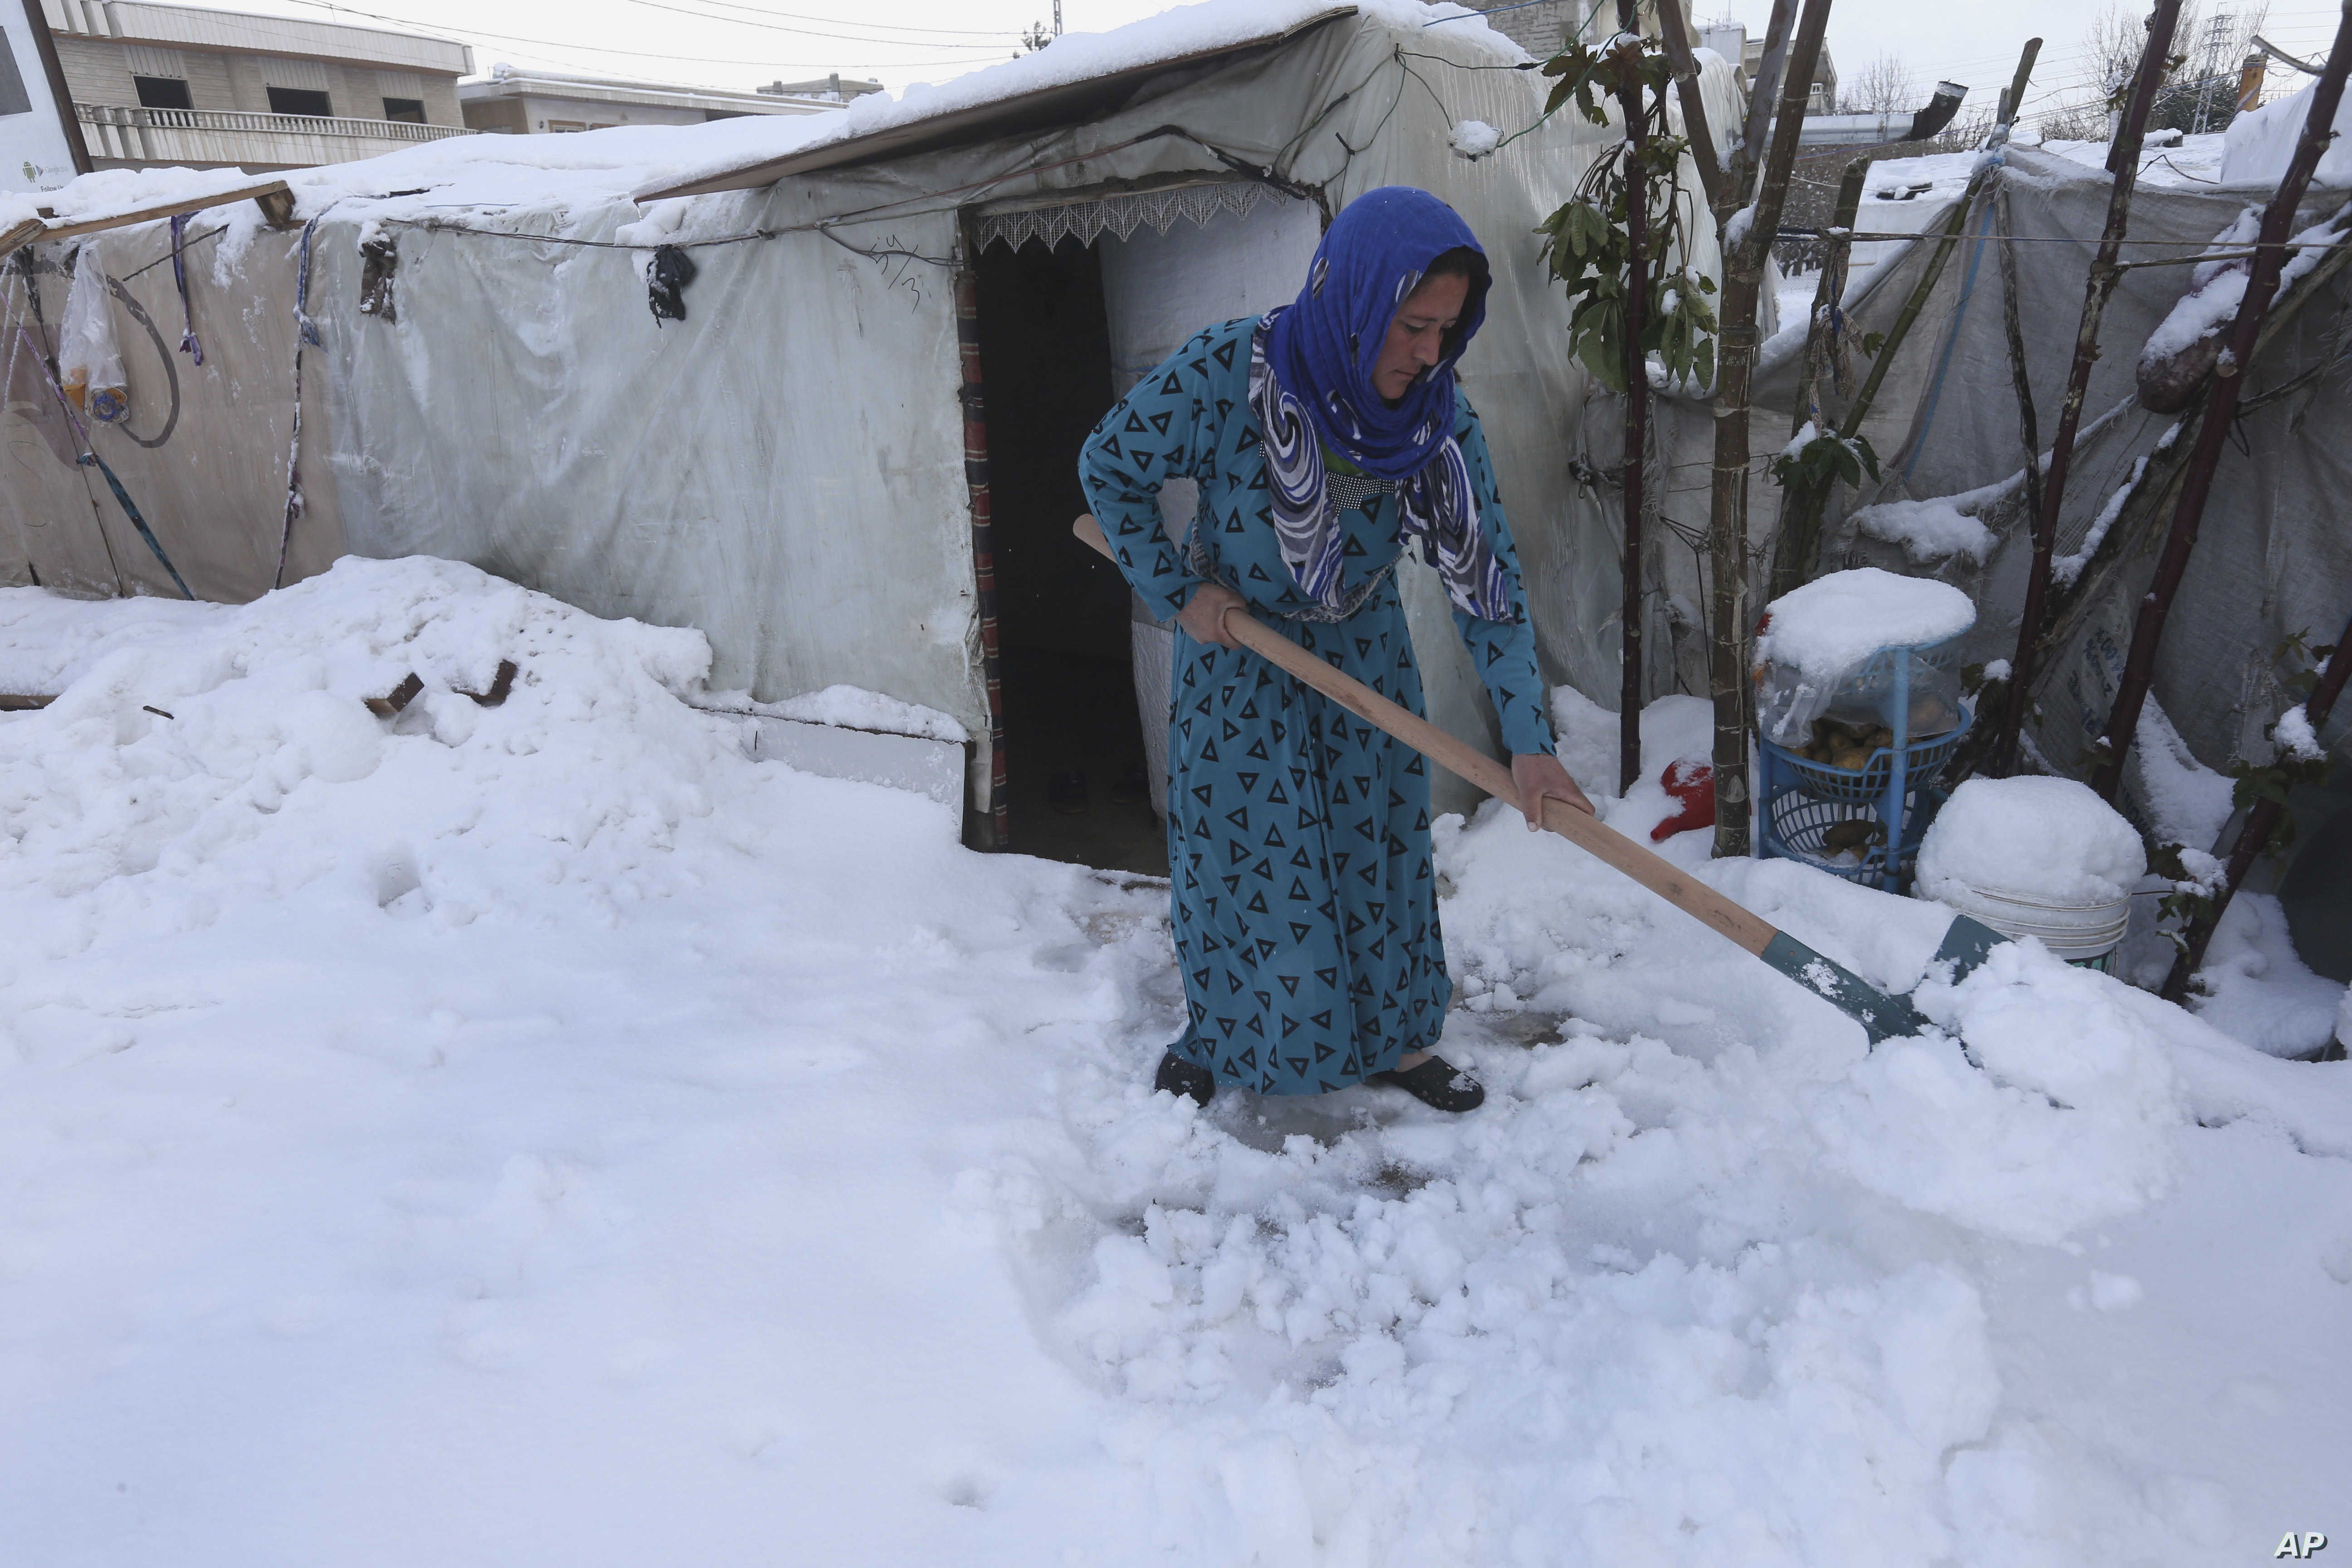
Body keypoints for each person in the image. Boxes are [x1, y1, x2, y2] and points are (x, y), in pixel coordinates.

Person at [1078, 186, 1591, 1114]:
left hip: (1364, 658)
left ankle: (1395, 1042)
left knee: (1378, 857)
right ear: (1355, 299)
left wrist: (1530, 739)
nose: (1430, 352)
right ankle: (1222, 1036)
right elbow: (1108, 465)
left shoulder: (1434, 424)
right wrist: (1179, 591)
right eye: (1411, 325)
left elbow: (1490, 588)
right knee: (1239, 862)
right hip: (1238, 666)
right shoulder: (1230, 372)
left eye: (1447, 328)